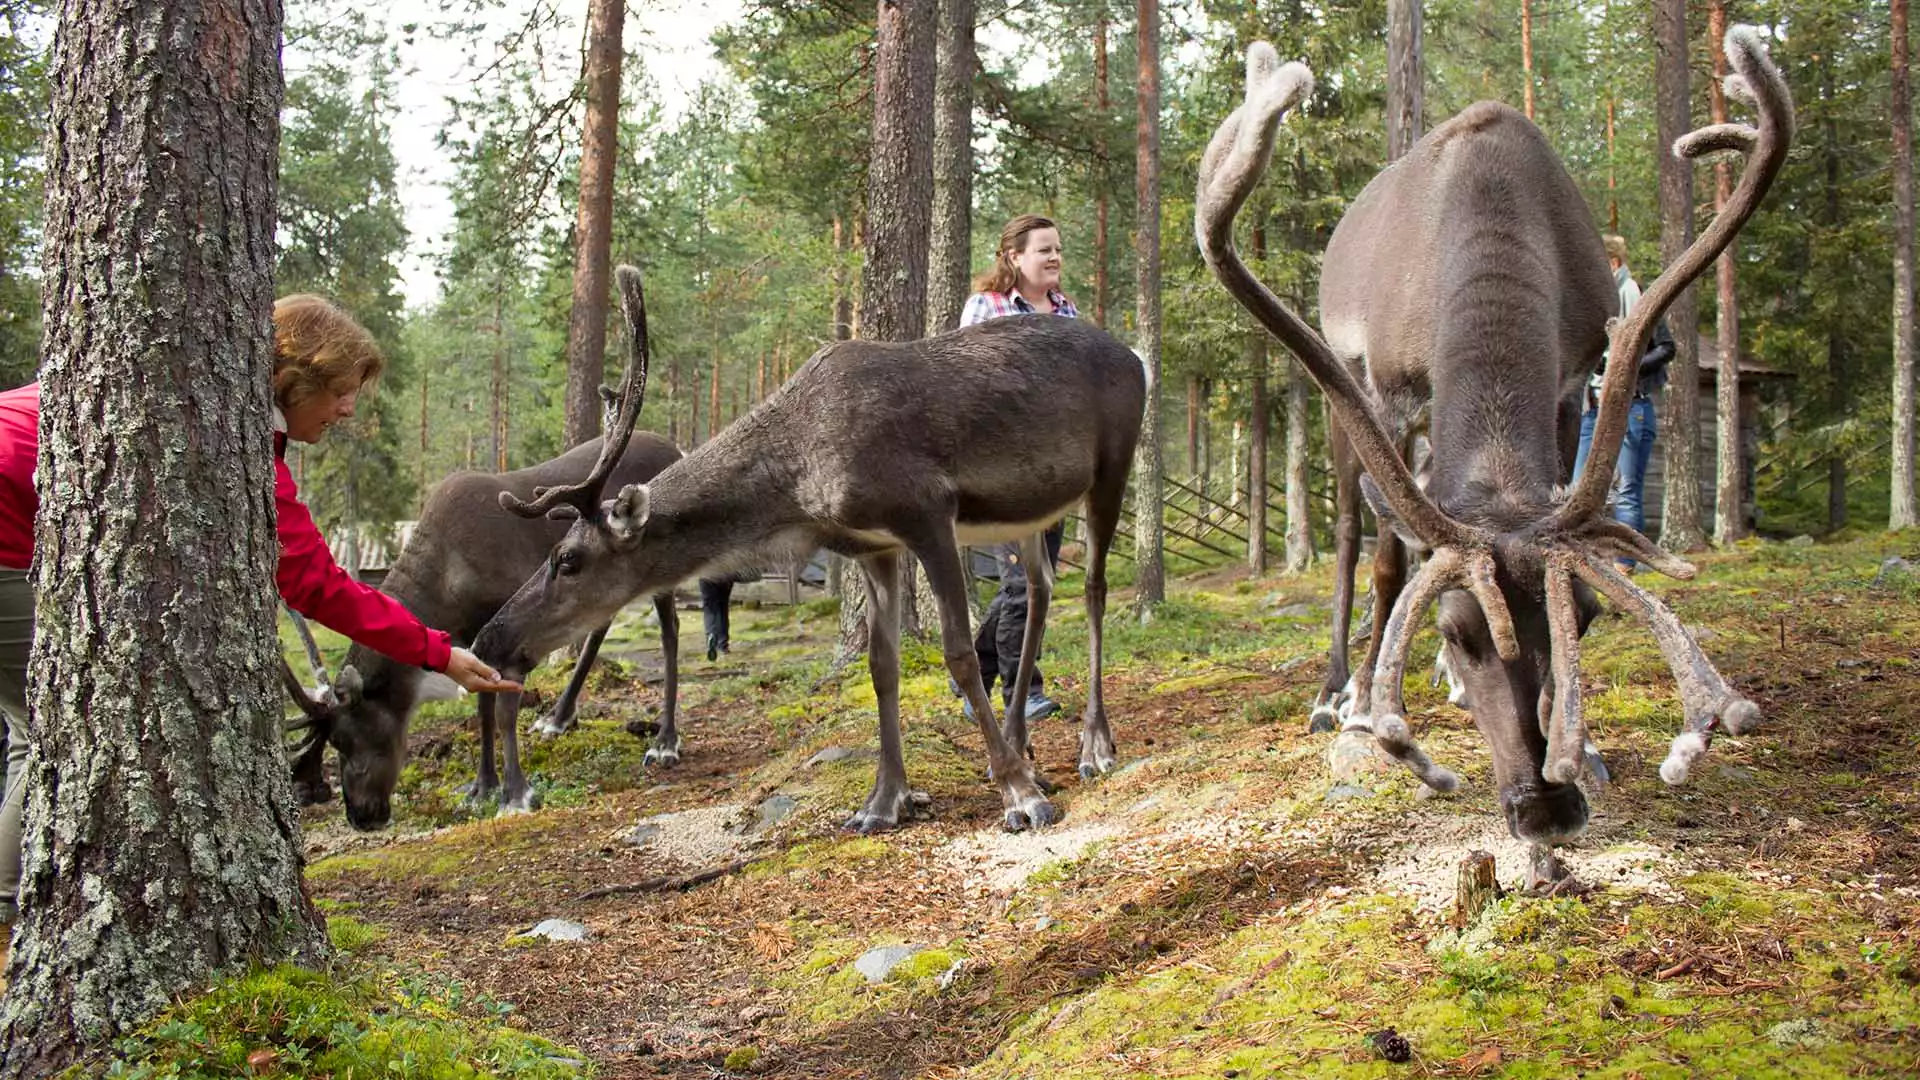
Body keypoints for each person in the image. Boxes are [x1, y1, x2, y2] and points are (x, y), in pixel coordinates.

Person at [0, 294, 518, 930]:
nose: (349, 409)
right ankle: (7, 912)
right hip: (8, 545)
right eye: (340, 391)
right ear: (294, 378)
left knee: (31, 732)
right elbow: (316, 585)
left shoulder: (195, 393)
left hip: (23, 535)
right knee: (68, 728)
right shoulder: (229, 439)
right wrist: (439, 652)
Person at [955, 213, 1078, 723]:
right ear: (1013, 256)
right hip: (1002, 466)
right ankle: (1021, 691)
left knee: (1039, 576)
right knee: (1022, 581)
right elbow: (965, 383)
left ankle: (974, 679)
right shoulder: (986, 307)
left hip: (1054, 464)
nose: (1053, 258)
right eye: (1042, 249)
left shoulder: (1065, 310)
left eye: (1056, 249)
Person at [1573, 234, 1675, 560]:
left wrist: (1623, 367)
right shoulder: (1597, 298)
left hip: (1630, 407)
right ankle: (1582, 564)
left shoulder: (1632, 293)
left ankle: (1625, 570)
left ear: (1613, 263)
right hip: (1593, 408)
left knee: (1627, 492)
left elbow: (1665, 348)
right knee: (1576, 492)